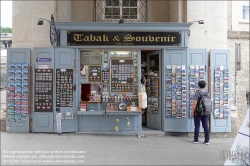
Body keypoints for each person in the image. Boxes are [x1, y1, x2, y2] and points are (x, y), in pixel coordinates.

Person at [191, 80, 210, 145]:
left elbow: (194, 103)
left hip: (198, 112)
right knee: (205, 126)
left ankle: (196, 140)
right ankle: (207, 140)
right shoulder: (207, 93)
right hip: (205, 112)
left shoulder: (197, 93)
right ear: (205, 86)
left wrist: (192, 111)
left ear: (198, 86)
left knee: (197, 126)